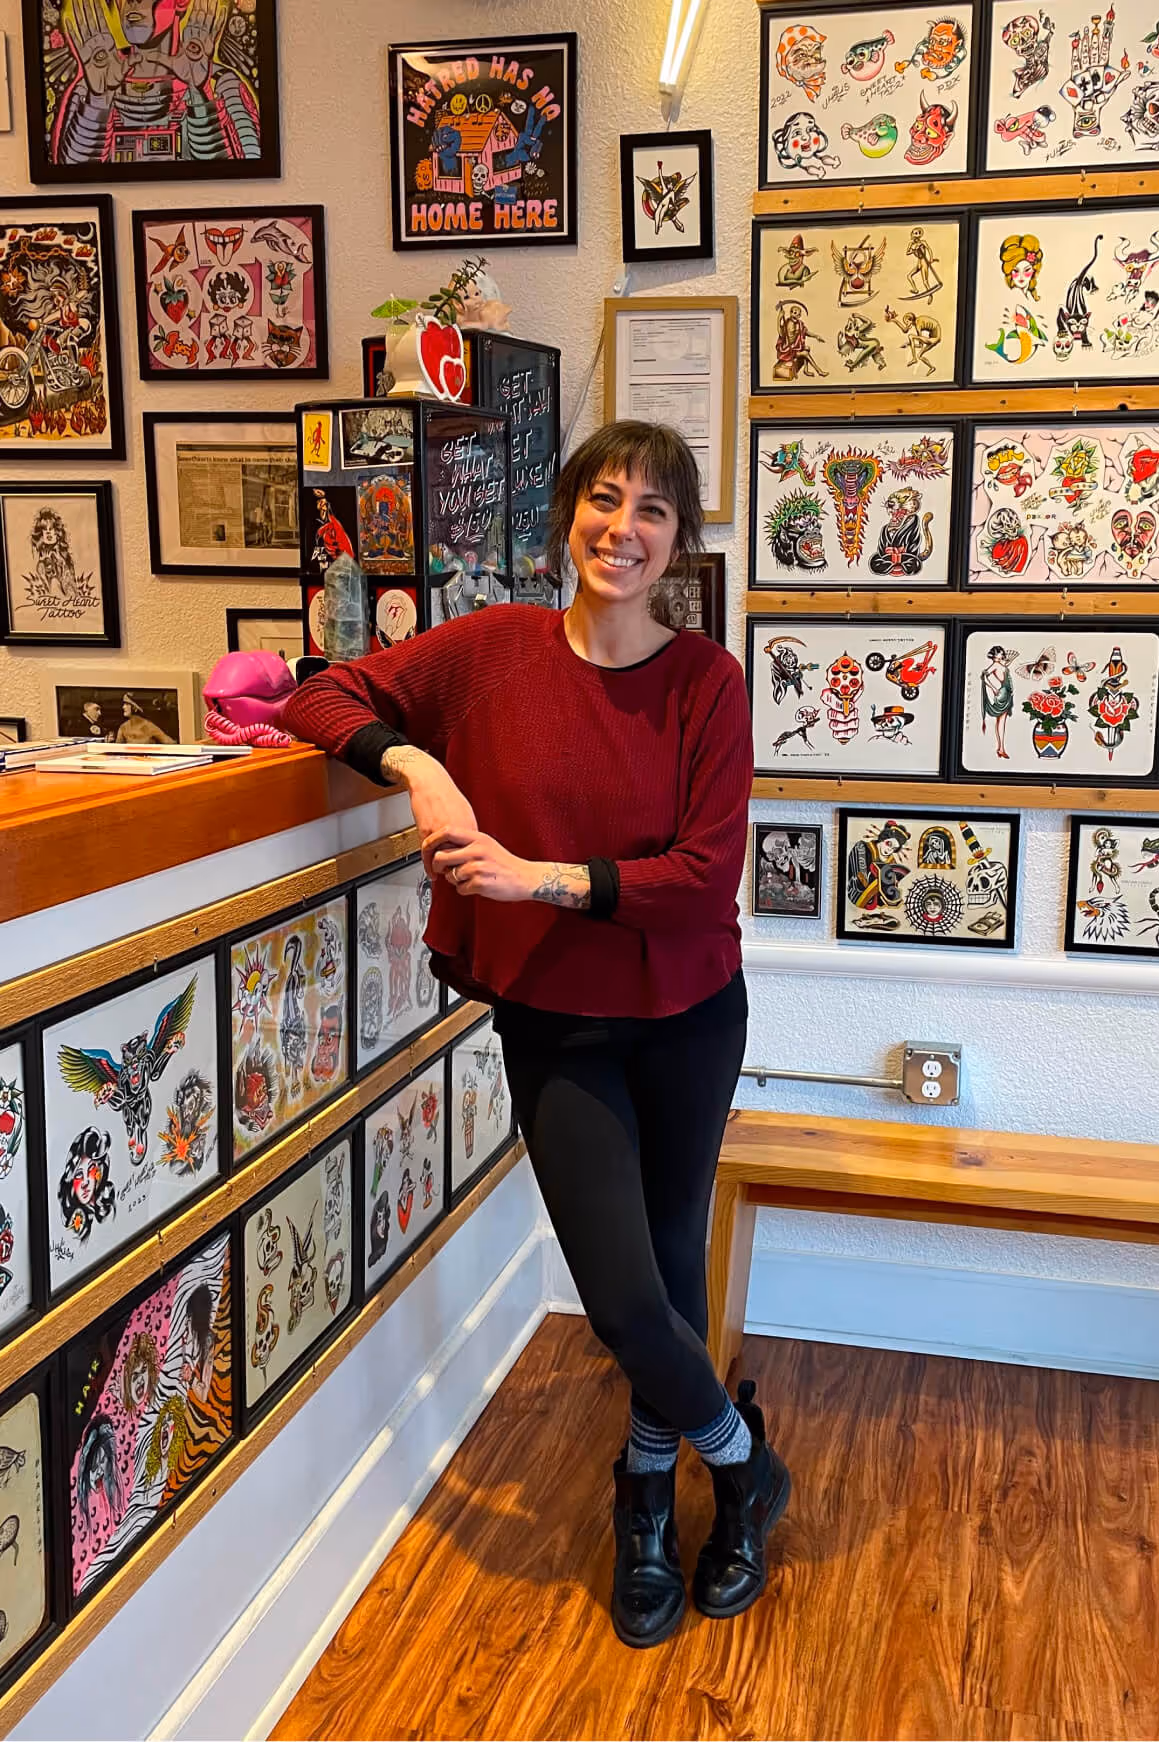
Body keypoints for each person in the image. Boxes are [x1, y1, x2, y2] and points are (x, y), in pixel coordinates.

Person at [281, 421, 790, 1649]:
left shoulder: (708, 682)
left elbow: (701, 878)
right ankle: (745, 1464)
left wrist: (533, 878)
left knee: (668, 1271)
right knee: (622, 1297)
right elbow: (317, 690)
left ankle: (648, 1496)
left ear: (680, 538)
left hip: (688, 1015)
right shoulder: (494, 650)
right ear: (568, 517)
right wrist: (418, 765)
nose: (625, 528)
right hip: (560, 1024)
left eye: (654, 509)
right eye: (605, 499)